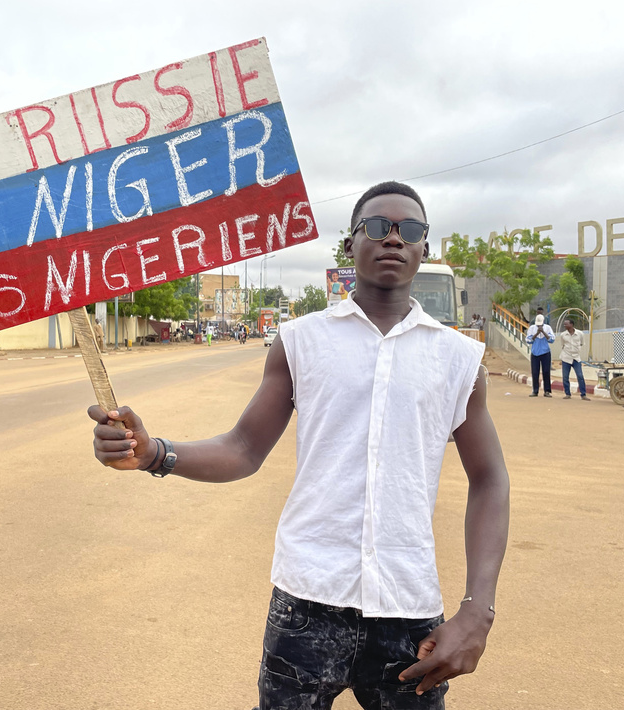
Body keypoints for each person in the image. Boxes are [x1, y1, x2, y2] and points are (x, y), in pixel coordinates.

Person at [90, 181, 509, 709]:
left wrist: (479, 608)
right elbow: (243, 448)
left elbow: (489, 479)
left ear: (425, 247)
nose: (394, 240)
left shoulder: (457, 360)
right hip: (307, 605)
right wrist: (155, 453)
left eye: (411, 231)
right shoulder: (302, 341)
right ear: (349, 244)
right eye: (378, 227)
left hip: (407, 610)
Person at [558, 320, 590, 401]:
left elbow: (582, 343)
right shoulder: (563, 335)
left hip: (576, 358)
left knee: (580, 376)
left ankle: (583, 394)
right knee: (565, 377)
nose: (565, 325)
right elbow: (562, 345)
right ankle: (567, 393)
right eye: (564, 324)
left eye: (566, 324)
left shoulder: (580, 334)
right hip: (566, 357)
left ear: (571, 324)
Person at [525, 314, 555, 397]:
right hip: (535, 352)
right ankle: (535, 391)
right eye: (538, 325)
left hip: (545, 352)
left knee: (546, 371)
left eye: (540, 325)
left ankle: (547, 391)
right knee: (535, 372)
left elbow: (552, 340)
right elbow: (528, 340)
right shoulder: (532, 328)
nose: (539, 326)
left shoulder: (548, 328)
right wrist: (536, 334)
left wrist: (543, 332)